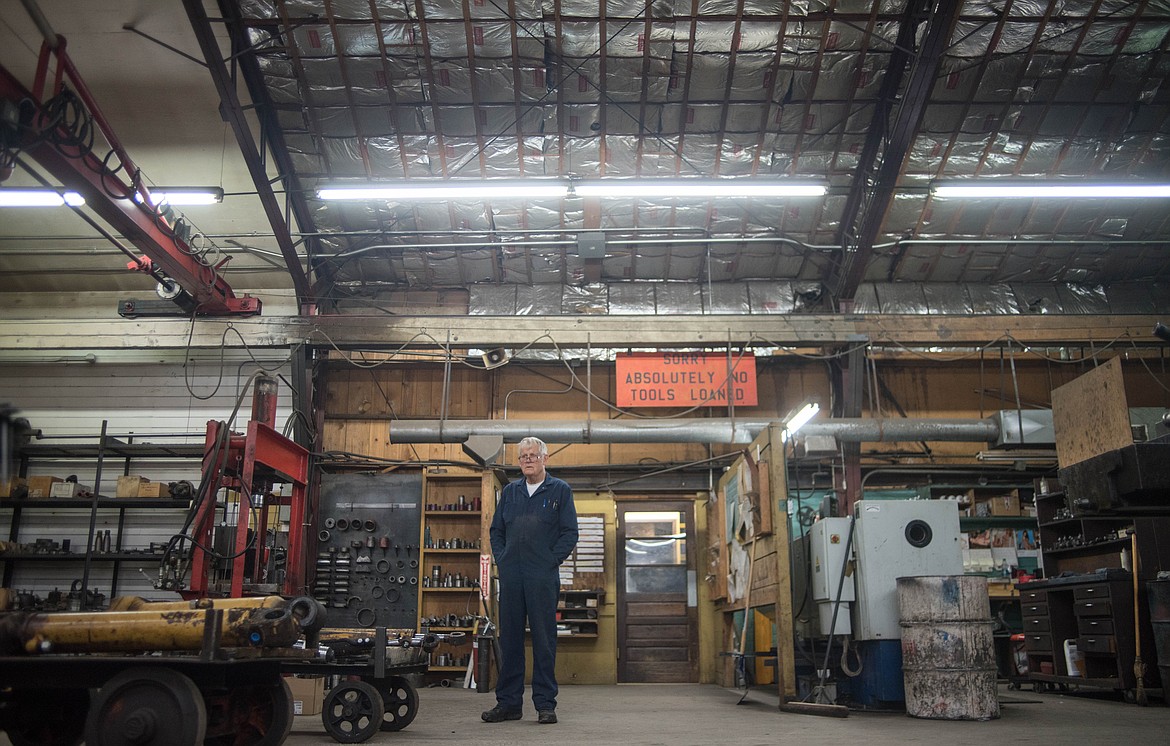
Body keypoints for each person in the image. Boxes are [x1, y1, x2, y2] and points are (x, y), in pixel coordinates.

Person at [482, 436, 578, 725]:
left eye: (533, 455)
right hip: (512, 577)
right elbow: (496, 531)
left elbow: (569, 533)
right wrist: (503, 558)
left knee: (544, 641)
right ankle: (509, 704)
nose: (527, 460)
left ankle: (545, 705)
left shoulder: (559, 490)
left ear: (545, 459)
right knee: (509, 639)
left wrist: (549, 561)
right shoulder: (511, 493)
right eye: (523, 456)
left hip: (542, 578)